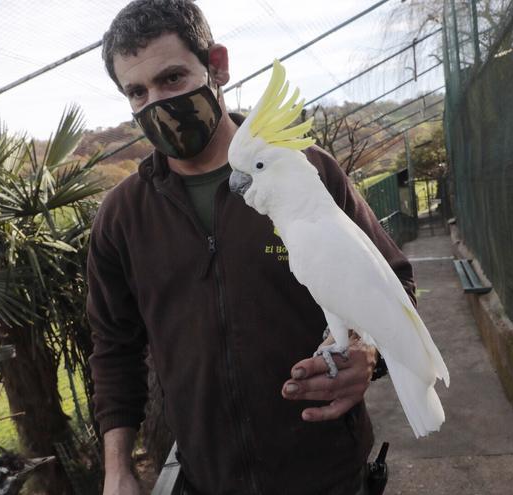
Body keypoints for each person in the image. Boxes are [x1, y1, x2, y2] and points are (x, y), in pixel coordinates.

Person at [87, 1, 415, 493]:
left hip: (328, 475)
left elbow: (397, 285)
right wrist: (117, 468)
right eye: (137, 91)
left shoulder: (307, 173)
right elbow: (114, 349)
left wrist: (369, 355)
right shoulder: (122, 218)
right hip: (206, 479)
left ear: (216, 66)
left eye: (172, 78)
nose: (156, 102)